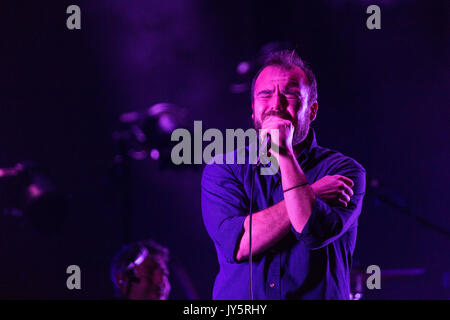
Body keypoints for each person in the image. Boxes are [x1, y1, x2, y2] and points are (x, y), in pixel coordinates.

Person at [201, 50, 366, 299]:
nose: (276, 103)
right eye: (265, 94)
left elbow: (312, 230)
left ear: (312, 110)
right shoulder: (224, 168)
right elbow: (240, 245)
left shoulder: (343, 170)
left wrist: (284, 152)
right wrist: (313, 192)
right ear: (254, 111)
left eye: (289, 93)